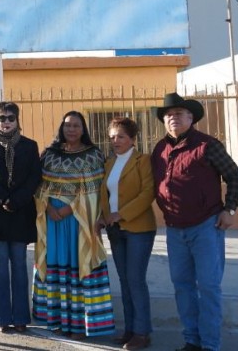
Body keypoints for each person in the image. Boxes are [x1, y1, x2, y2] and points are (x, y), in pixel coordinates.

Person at [151, 93, 238, 351]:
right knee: (182, 287)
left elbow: (234, 176)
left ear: (191, 117)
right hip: (174, 229)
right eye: (169, 115)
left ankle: (210, 345)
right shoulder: (160, 149)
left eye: (179, 114)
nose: (173, 118)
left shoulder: (207, 145)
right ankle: (192, 340)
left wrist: (230, 210)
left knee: (209, 287)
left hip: (206, 227)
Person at [32, 110, 115, 340]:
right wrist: (48, 207)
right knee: (55, 264)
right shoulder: (49, 154)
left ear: (83, 129)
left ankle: (79, 324)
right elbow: (38, 185)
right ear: (62, 127)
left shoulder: (93, 155)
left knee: (78, 265)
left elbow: (94, 192)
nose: (71, 129)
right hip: (52, 220)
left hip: (78, 221)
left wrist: (67, 209)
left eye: (76, 125)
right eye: (67, 125)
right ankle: (56, 320)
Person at [0, 101, 42, 333]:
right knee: (0, 264)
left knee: (19, 265)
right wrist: (3, 199)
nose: (6, 122)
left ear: (17, 119)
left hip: (20, 212)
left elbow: (35, 177)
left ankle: (21, 317)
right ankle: (2, 317)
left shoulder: (30, 146)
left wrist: (17, 200)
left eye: (10, 118)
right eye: (2, 118)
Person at [98, 117, 156, 350]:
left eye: (120, 136)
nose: (115, 141)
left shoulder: (143, 161)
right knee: (124, 281)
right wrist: (104, 218)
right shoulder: (110, 163)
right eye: (112, 137)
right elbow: (106, 195)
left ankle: (142, 333)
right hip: (115, 230)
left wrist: (120, 214)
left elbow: (147, 193)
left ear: (133, 139)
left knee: (135, 280)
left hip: (138, 228)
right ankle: (130, 330)